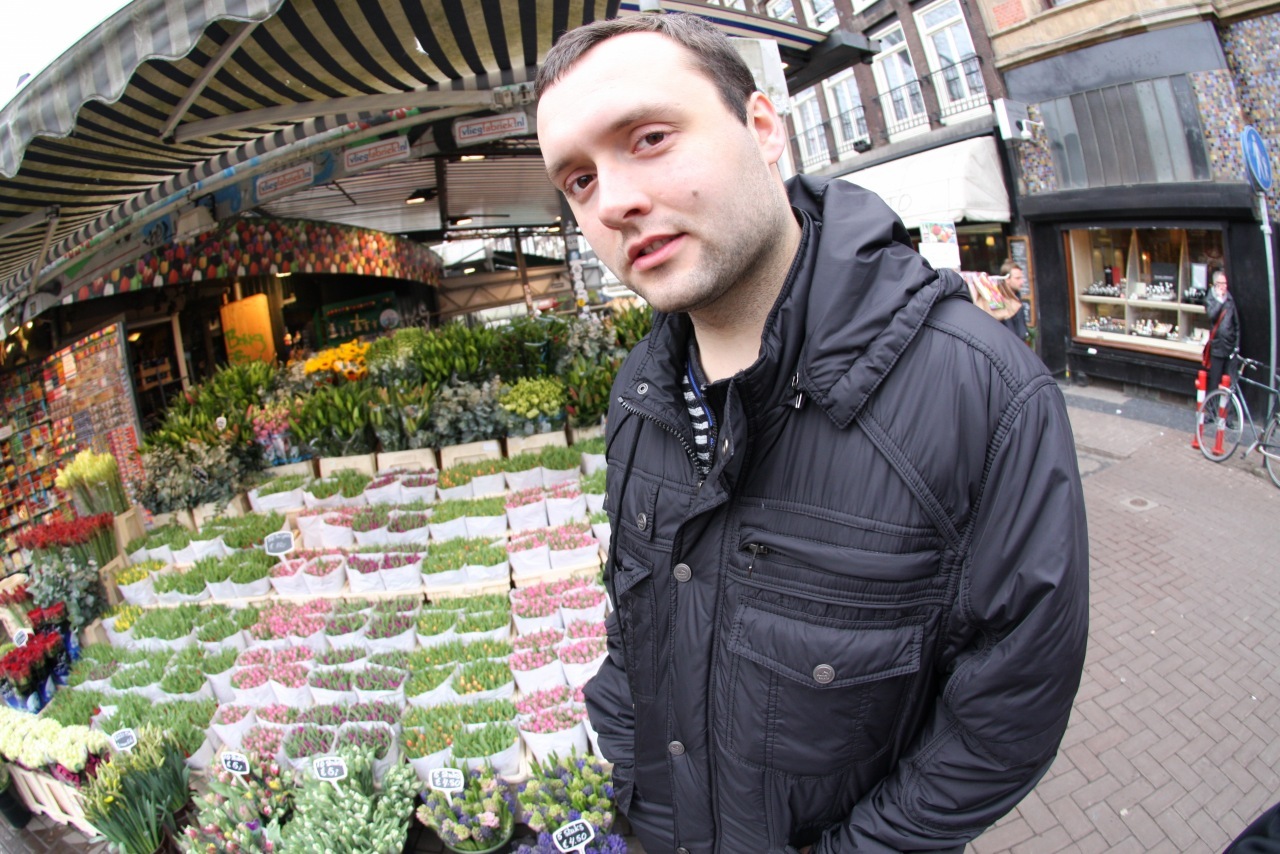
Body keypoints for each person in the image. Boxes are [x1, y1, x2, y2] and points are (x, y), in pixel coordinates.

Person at [536, 14, 1089, 854]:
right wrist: (628, 789)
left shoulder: (981, 392)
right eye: (579, 181)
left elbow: (1006, 716)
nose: (613, 202)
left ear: (764, 129)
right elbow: (634, 629)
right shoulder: (640, 395)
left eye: (649, 138)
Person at [1205, 267, 1240, 392]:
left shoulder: (1230, 300)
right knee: (1214, 381)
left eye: (1225, 283)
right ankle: (1212, 403)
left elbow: (1236, 325)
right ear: (1216, 284)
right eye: (1221, 283)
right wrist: (1219, 301)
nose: (1224, 286)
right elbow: (1211, 316)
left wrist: (1236, 345)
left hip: (1229, 346)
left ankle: (1227, 404)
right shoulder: (1210, 299)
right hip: (1217, 347)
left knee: (1229, 382)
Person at [998, 258, 1030, 342]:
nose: (1022, 282)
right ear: (1007, 280)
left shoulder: (1017, 296)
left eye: (1021, 278)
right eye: (1017, 278)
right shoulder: (999, 301)